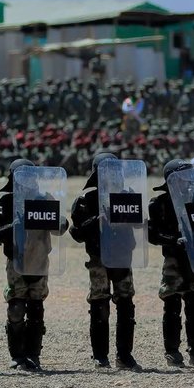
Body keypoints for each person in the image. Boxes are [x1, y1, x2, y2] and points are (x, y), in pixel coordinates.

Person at [0, 159, 68, 371]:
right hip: (16, 262)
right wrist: (12, 227)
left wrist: (59, 221)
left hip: (40, 261)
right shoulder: (4, 204)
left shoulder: (43, 199)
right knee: (16, 308)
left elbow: (60, 228)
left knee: (36, 308)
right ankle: (17, 356)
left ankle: (33, 355)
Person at [69, 153, 140, 370]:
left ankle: (125, 355)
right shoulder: (86, 201)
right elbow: (77, 233)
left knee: (126, 306)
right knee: (99, 306)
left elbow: (138, 224)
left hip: (122, 257)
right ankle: (100, 355)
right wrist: (96, 220)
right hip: (99, 259)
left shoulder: (126, 196)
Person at [147, 159, 194, 366]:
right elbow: (152, 235)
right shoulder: (159, 204)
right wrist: (173, 240)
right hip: (173, 259)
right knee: (172, 304)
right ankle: (172, 351)